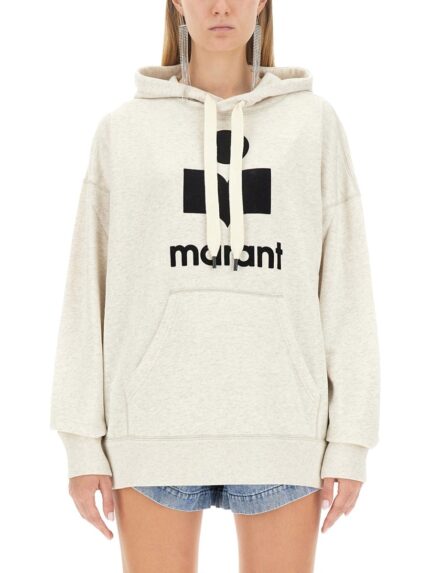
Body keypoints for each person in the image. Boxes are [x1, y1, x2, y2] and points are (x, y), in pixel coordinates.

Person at [49, 1, 381, 571]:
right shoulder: (124, 131)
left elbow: (347, 287)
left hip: (280, 424)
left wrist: (350, 439)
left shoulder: (314, 125)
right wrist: (82, 443)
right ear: (177, 2)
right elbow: (87, 290)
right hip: (153, 428)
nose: (220, 6)